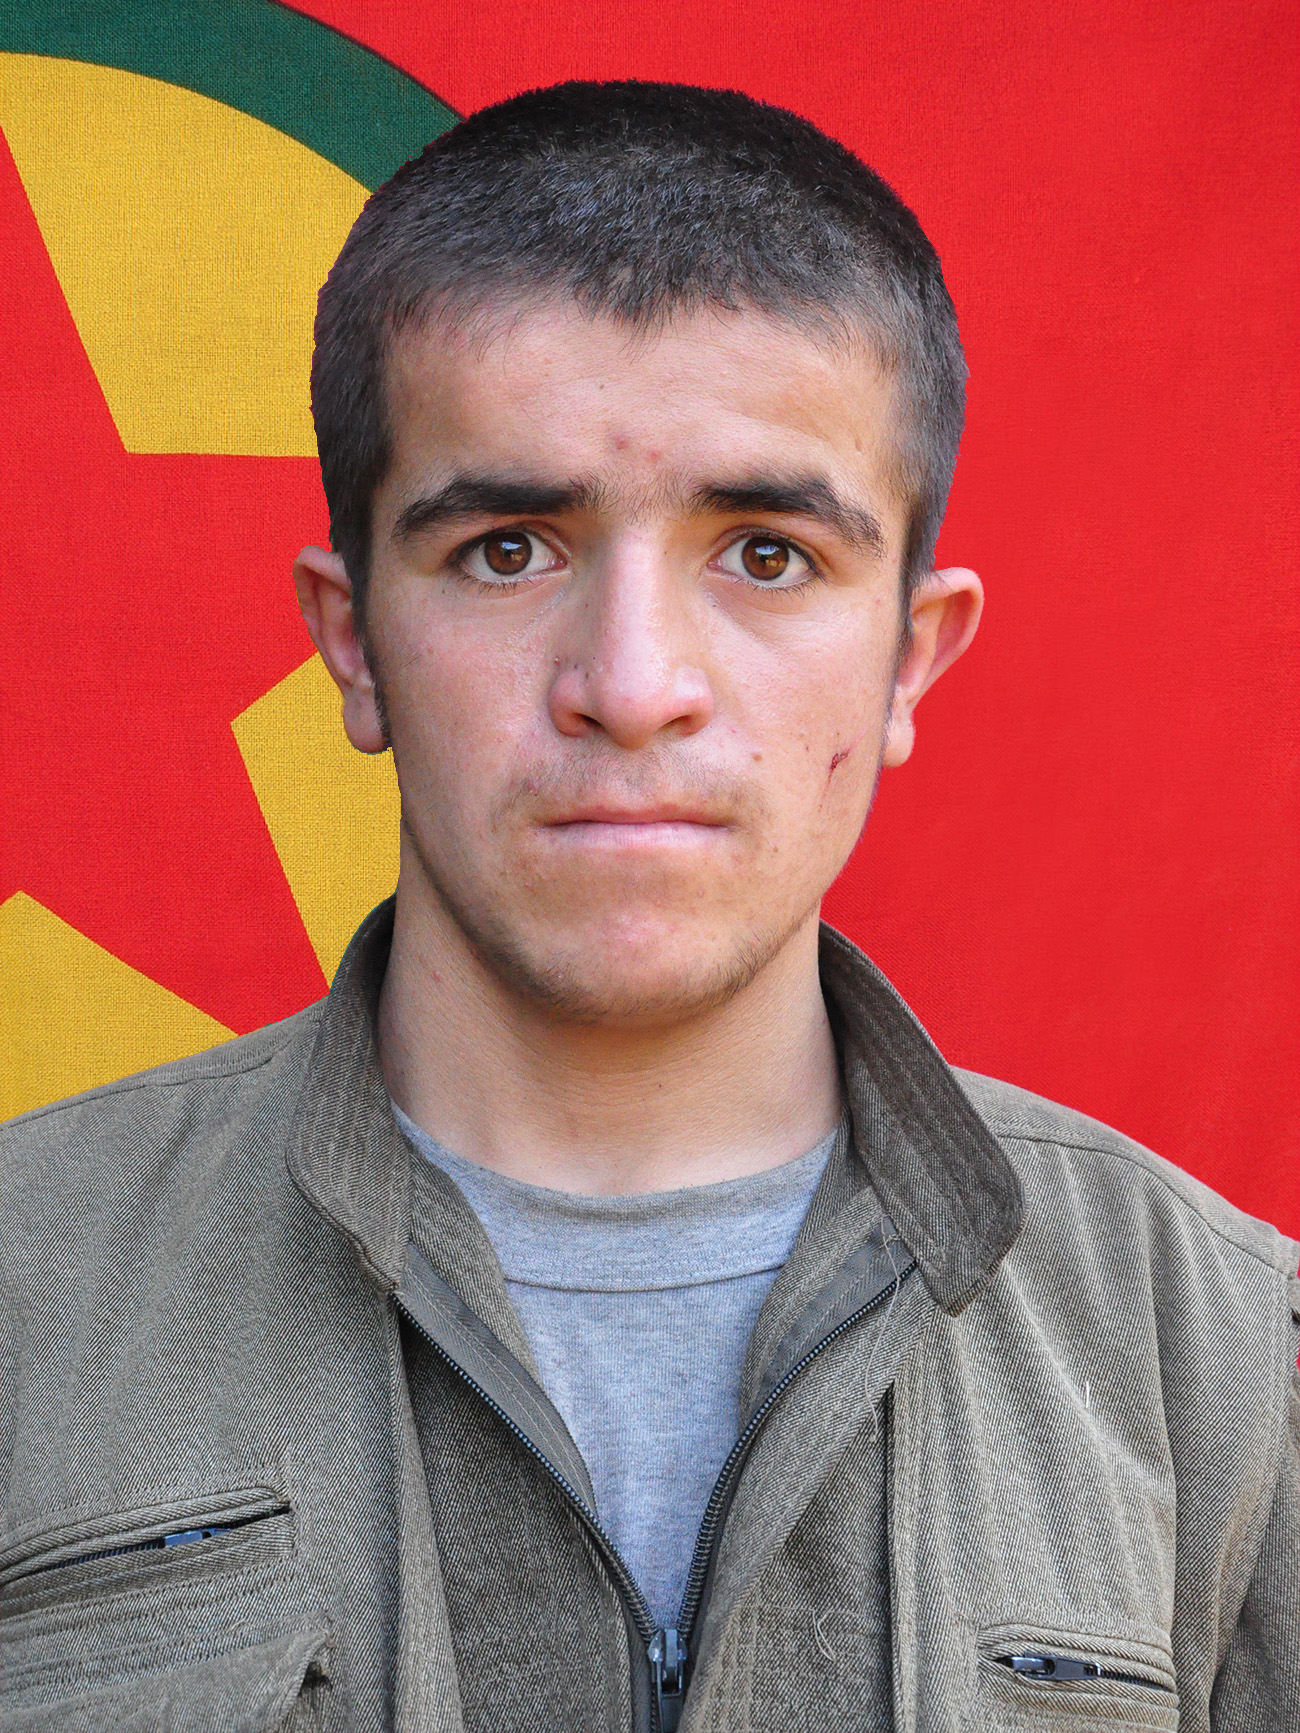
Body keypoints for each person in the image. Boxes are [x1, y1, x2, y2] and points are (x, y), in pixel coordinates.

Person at [1, 81, 1295, 1733]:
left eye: (765, 553)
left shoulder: (1217, 1352)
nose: (629, 684)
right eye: (507, 549)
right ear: (352, 638)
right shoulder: (24, 1294)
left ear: (910, 659)